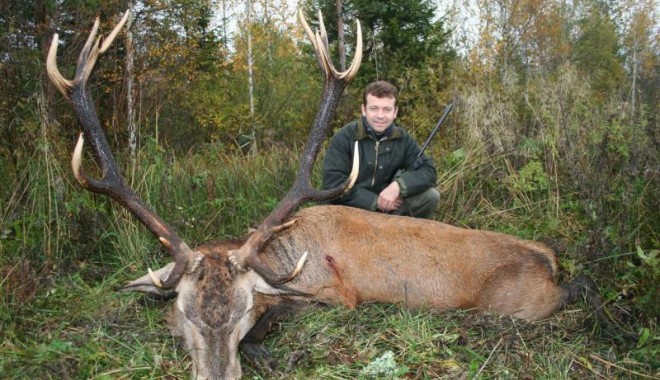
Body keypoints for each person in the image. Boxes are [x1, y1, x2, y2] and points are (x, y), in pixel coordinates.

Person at [322, 80, 439, 219]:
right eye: (374, 108)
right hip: (347, 211)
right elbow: (333, 184)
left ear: (395, 112)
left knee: (431, 196)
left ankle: (398, 236)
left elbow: (428, 170)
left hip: (385, 212)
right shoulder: (344, 137)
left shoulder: (403, 139)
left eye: (387, 109)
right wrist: (374, 201)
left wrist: (399, 186)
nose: (380, 115)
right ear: (364, 110)